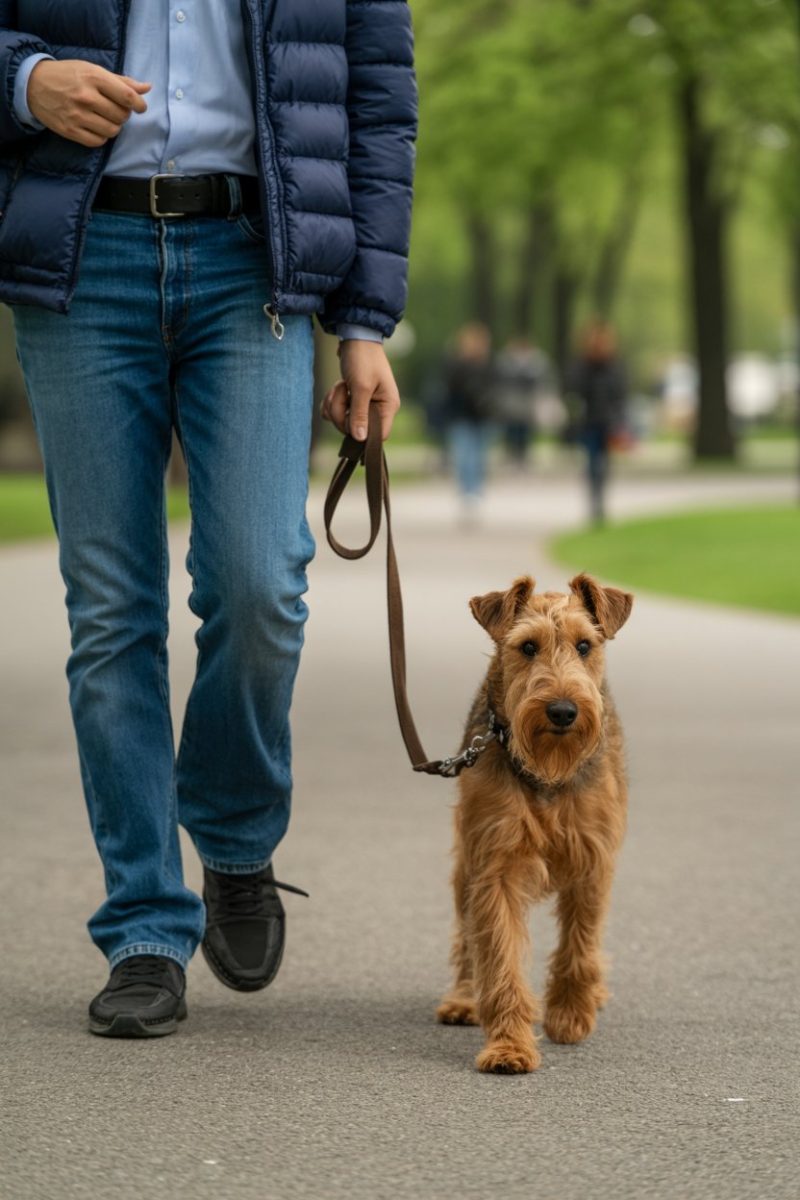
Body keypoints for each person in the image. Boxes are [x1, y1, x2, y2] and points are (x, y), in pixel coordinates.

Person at [0, 2, 417, 1038]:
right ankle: (144, 926)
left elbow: (374, 108)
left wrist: (362, 321)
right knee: (112, 612)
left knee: (260, 578)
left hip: (251, 263)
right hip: (80, 260)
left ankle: (233, 837)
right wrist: (25, 80)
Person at [566, 320, 628, 524]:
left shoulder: (613, 366)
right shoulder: (582, 366)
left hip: (608, 421)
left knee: (604, 463)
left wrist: (619, 418)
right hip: (589, 420)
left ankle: (600, 498)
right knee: (593, 461)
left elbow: (620, 393)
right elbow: (573, 389)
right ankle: (594, 499)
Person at [442, 322, 495, 523]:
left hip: (484, 417)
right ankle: (467, 492)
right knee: (464, 456)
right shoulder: (456, 364)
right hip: (461, 416)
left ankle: (476, 490)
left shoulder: (489, 365)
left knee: (479, 456)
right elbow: (450, 389)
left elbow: (496, 388)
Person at [492, 335, 547, 468]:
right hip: (510, 401)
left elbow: (541, 380)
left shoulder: (536, 361)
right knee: (511, 428)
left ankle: (522, 454)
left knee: (524, 429)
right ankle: (512, 452)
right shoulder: (505, 361)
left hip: (527, 402)